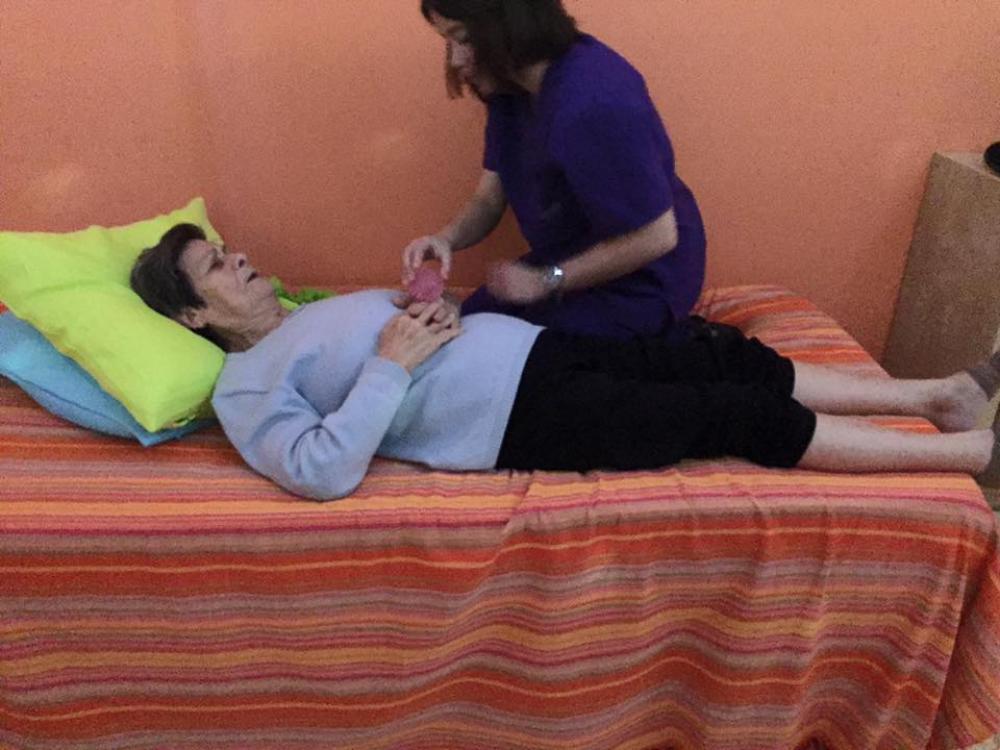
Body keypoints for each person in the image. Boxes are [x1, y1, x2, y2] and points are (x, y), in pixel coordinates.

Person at [132, 224, 999, 501]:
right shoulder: (243, 388)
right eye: (216, 266)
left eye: (227, 251)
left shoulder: (304, 310)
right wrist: (390, 364)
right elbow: (321, 472)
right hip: (517, 416)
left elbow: (402, 330)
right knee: (732, 415)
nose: (239, 259)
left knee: (720, 353)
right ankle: (971, 454)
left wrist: (426, 305)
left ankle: (939, 396)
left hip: (532, 349)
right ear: (194, 314)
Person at [401, 0, 706, 340]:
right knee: (466, 324)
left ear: (512, 25)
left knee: (493, 345)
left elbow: (657, 236)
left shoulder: (594, 100)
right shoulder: (510, 93)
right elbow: (488, 199)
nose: (456, 60)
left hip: (646, 280)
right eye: (448, 41)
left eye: (464, 38)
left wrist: (546, 280)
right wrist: (445, 239)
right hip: (570, 257)